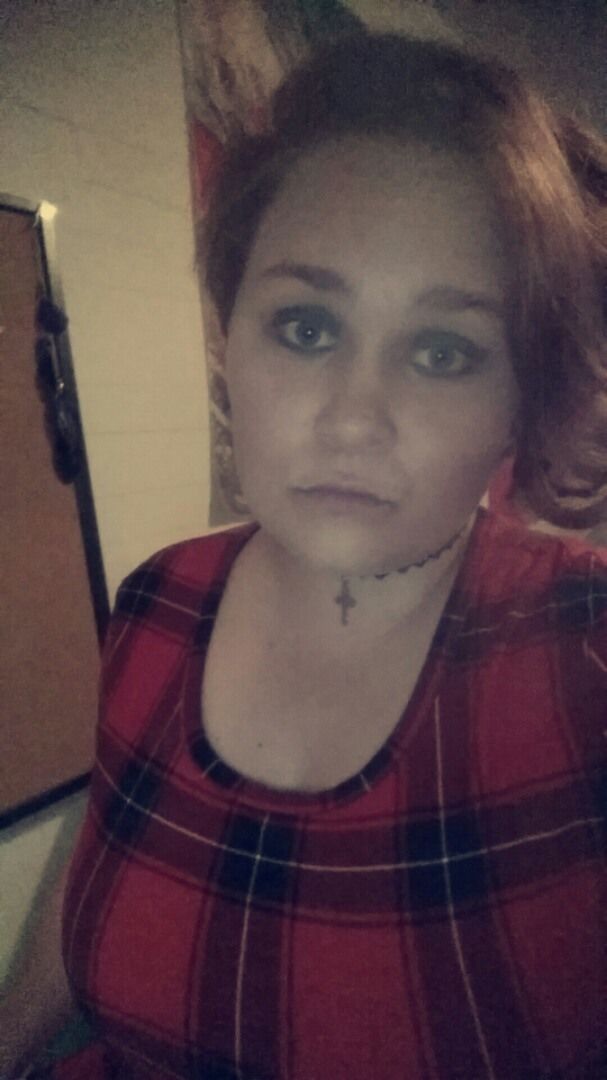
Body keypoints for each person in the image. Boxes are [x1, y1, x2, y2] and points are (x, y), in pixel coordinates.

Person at [2, 30, 606, 1080]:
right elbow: (108, 853)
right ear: (227, 341)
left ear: (520, 398)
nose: (353, 418)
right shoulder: (157, 601)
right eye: (306, 327)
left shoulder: (583, 651)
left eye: (442, 350)